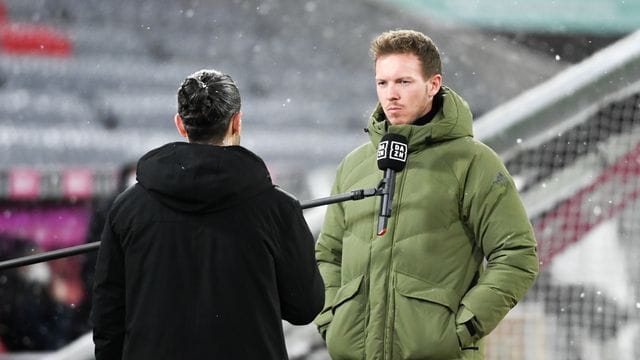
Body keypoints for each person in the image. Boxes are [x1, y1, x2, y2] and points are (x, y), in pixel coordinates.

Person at [314, 29, 539, 359]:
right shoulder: (355, 165)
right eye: (383, 83)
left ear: (433, 85)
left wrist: (460, 330)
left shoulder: (473, 162)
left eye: (404, 82)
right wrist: (332, 323)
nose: (391, 94)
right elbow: (328, 255)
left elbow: (518, 255)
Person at [91, 69, 324, 360]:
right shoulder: (279, 209)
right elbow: (305, 307)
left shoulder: (127, 209)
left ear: (180, 125)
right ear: (237, 122)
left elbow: (108, 319)